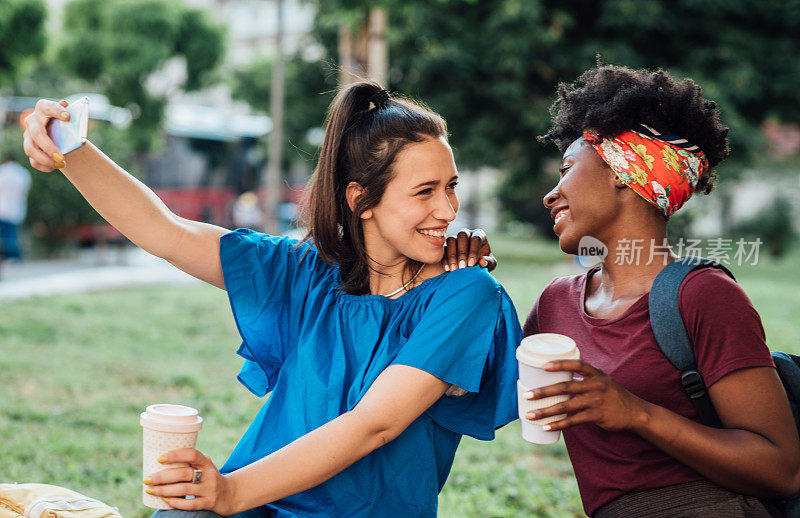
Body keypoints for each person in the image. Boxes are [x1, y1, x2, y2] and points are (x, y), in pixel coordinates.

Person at [22, 82, 521, 518]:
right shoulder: (303, 271)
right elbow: (164, 231)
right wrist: (69, 146)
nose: (448, 208)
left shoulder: (466, 291)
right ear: (360, 200)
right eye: (425, 191)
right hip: (253, 507)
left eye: (450, 187)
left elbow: (377, 423)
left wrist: (231, 491)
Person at [520, 65, 800, 517]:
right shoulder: (555, 304)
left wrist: (637, 413)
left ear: (620, 170)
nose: (551, 194)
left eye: (567, 168)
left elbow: (781, 469)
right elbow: (485, 394)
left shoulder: (704, 295)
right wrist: (457, 275)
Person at [0, 155, 32, 275]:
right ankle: (14, 258)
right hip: (16, 210)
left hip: (3, 210)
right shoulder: (23, 173)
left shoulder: (2, 172)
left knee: (5, 238)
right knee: (13, 235)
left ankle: (8, 258)